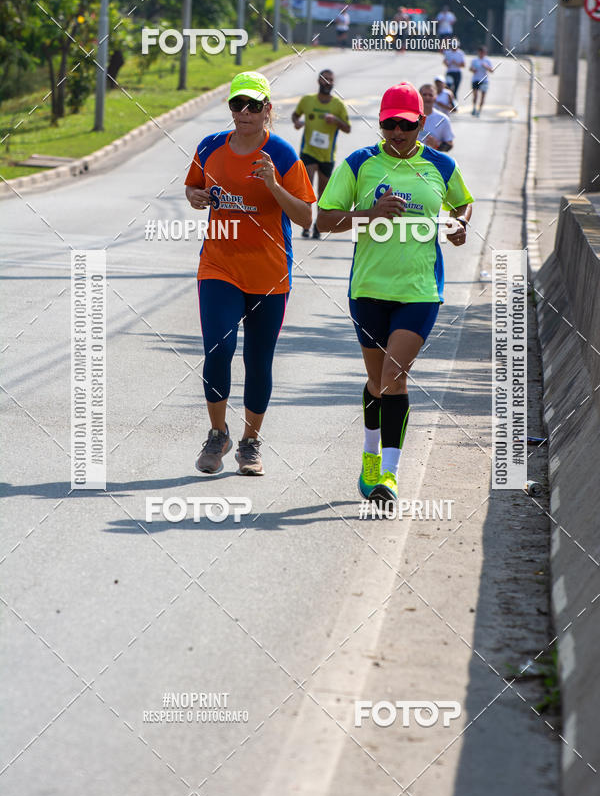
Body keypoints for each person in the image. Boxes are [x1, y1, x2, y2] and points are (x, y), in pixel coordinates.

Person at [316, 82, 473, 504]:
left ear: (421, 123)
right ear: (380, 123)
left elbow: (462, 206)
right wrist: (370, 213)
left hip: (420, 289)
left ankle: (389, 474)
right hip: (368, 288)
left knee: (393, 377)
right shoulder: (359, 164)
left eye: (405, 125)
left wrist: (459, 226)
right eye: (389, 125)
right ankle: (370, 459)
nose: (397, 133)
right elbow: (325, 220)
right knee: (375, 380)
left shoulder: (441, 165)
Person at [185, 71, 316, 475]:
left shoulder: (282, 154)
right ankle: (217, 433)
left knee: (259, 361)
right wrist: (197, 197)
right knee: (218, 350)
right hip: (219, 266)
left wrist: (274, 185)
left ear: (267, 111)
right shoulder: (209, 147)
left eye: (253, 106)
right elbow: (191, 189)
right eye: (237, 104)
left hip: (269, 273)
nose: (243, 112)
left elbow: (307, 214)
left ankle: (250, 442)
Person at [292, 70, 351, 238]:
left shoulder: (338, 105)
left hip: (327, 156)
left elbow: (347, 128)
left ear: (333, 83)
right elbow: (295, 115)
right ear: (319, 81)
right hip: (308, 152)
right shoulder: (307, 101)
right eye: (325, 79)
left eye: (331, 80)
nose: (327, 82)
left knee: (322, 194)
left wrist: (336, 120)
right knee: (308, 190)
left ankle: (318, 226)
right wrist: (297, 123)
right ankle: (306, 224)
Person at [417, 83, 454, 152]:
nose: (427, 97)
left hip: (433, 160)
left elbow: (449, 144)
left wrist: (437, 145)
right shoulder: (411, 117)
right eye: (424, 94)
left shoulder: (443, 119)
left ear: (436, 97)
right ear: (419, 96)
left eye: (430, 95)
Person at [470, 46, 494, 116]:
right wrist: (473, 69)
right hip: (475, 79)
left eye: (483, 53)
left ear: (485, 53)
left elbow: (492, 70)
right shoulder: (474, 60)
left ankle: (479, 111)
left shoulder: (487, 61)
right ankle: (474, 108)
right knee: (475, 95)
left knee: (483, 96)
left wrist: (486, 66)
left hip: (484, 80)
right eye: (480, 52)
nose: (481, 54)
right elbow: (470, 68)